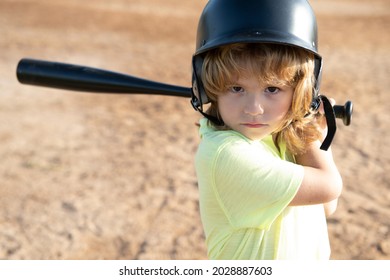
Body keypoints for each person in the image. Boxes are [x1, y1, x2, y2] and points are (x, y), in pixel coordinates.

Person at [190, 0, 343, 260]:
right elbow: (328, 187)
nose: (254, 109)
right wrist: (309, 130)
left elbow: (325, 207)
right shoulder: (226, 154)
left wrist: (302, 124)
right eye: (236, 88)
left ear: (301, 92)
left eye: (272, 89)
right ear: (209, 89)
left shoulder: (276, 135)